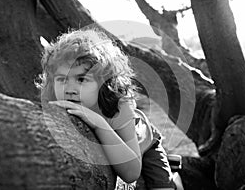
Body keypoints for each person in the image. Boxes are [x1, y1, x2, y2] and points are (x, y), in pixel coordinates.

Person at [37, 29, 183, 190]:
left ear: (103, 83)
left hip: (143, 142)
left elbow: (130, 174)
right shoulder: (53, 98)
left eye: (81, 79)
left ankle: (173, 169)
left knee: (162, 186)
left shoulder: (119, 106)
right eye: (62, 79)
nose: (70, 89)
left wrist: (99, 124)